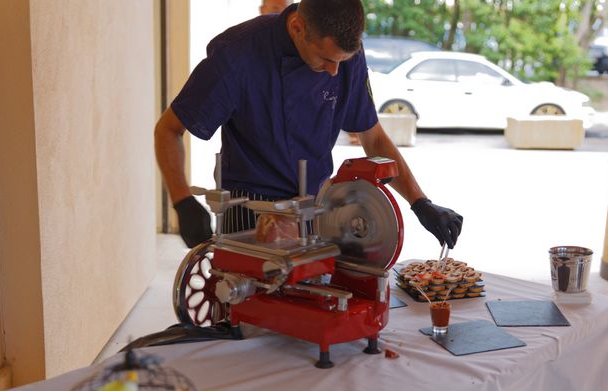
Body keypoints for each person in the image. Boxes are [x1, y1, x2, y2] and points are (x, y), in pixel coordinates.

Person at [155, 0, 463, 250]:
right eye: (325, 60)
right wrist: (182, 201)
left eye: (341, 62)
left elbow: (373, 136)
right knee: (251, 316)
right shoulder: (237, 55)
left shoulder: (345, 56)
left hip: (316, 207)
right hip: (249, 211)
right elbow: (168, 130)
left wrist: (420, 202)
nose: (334, 72)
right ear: (297, 27)